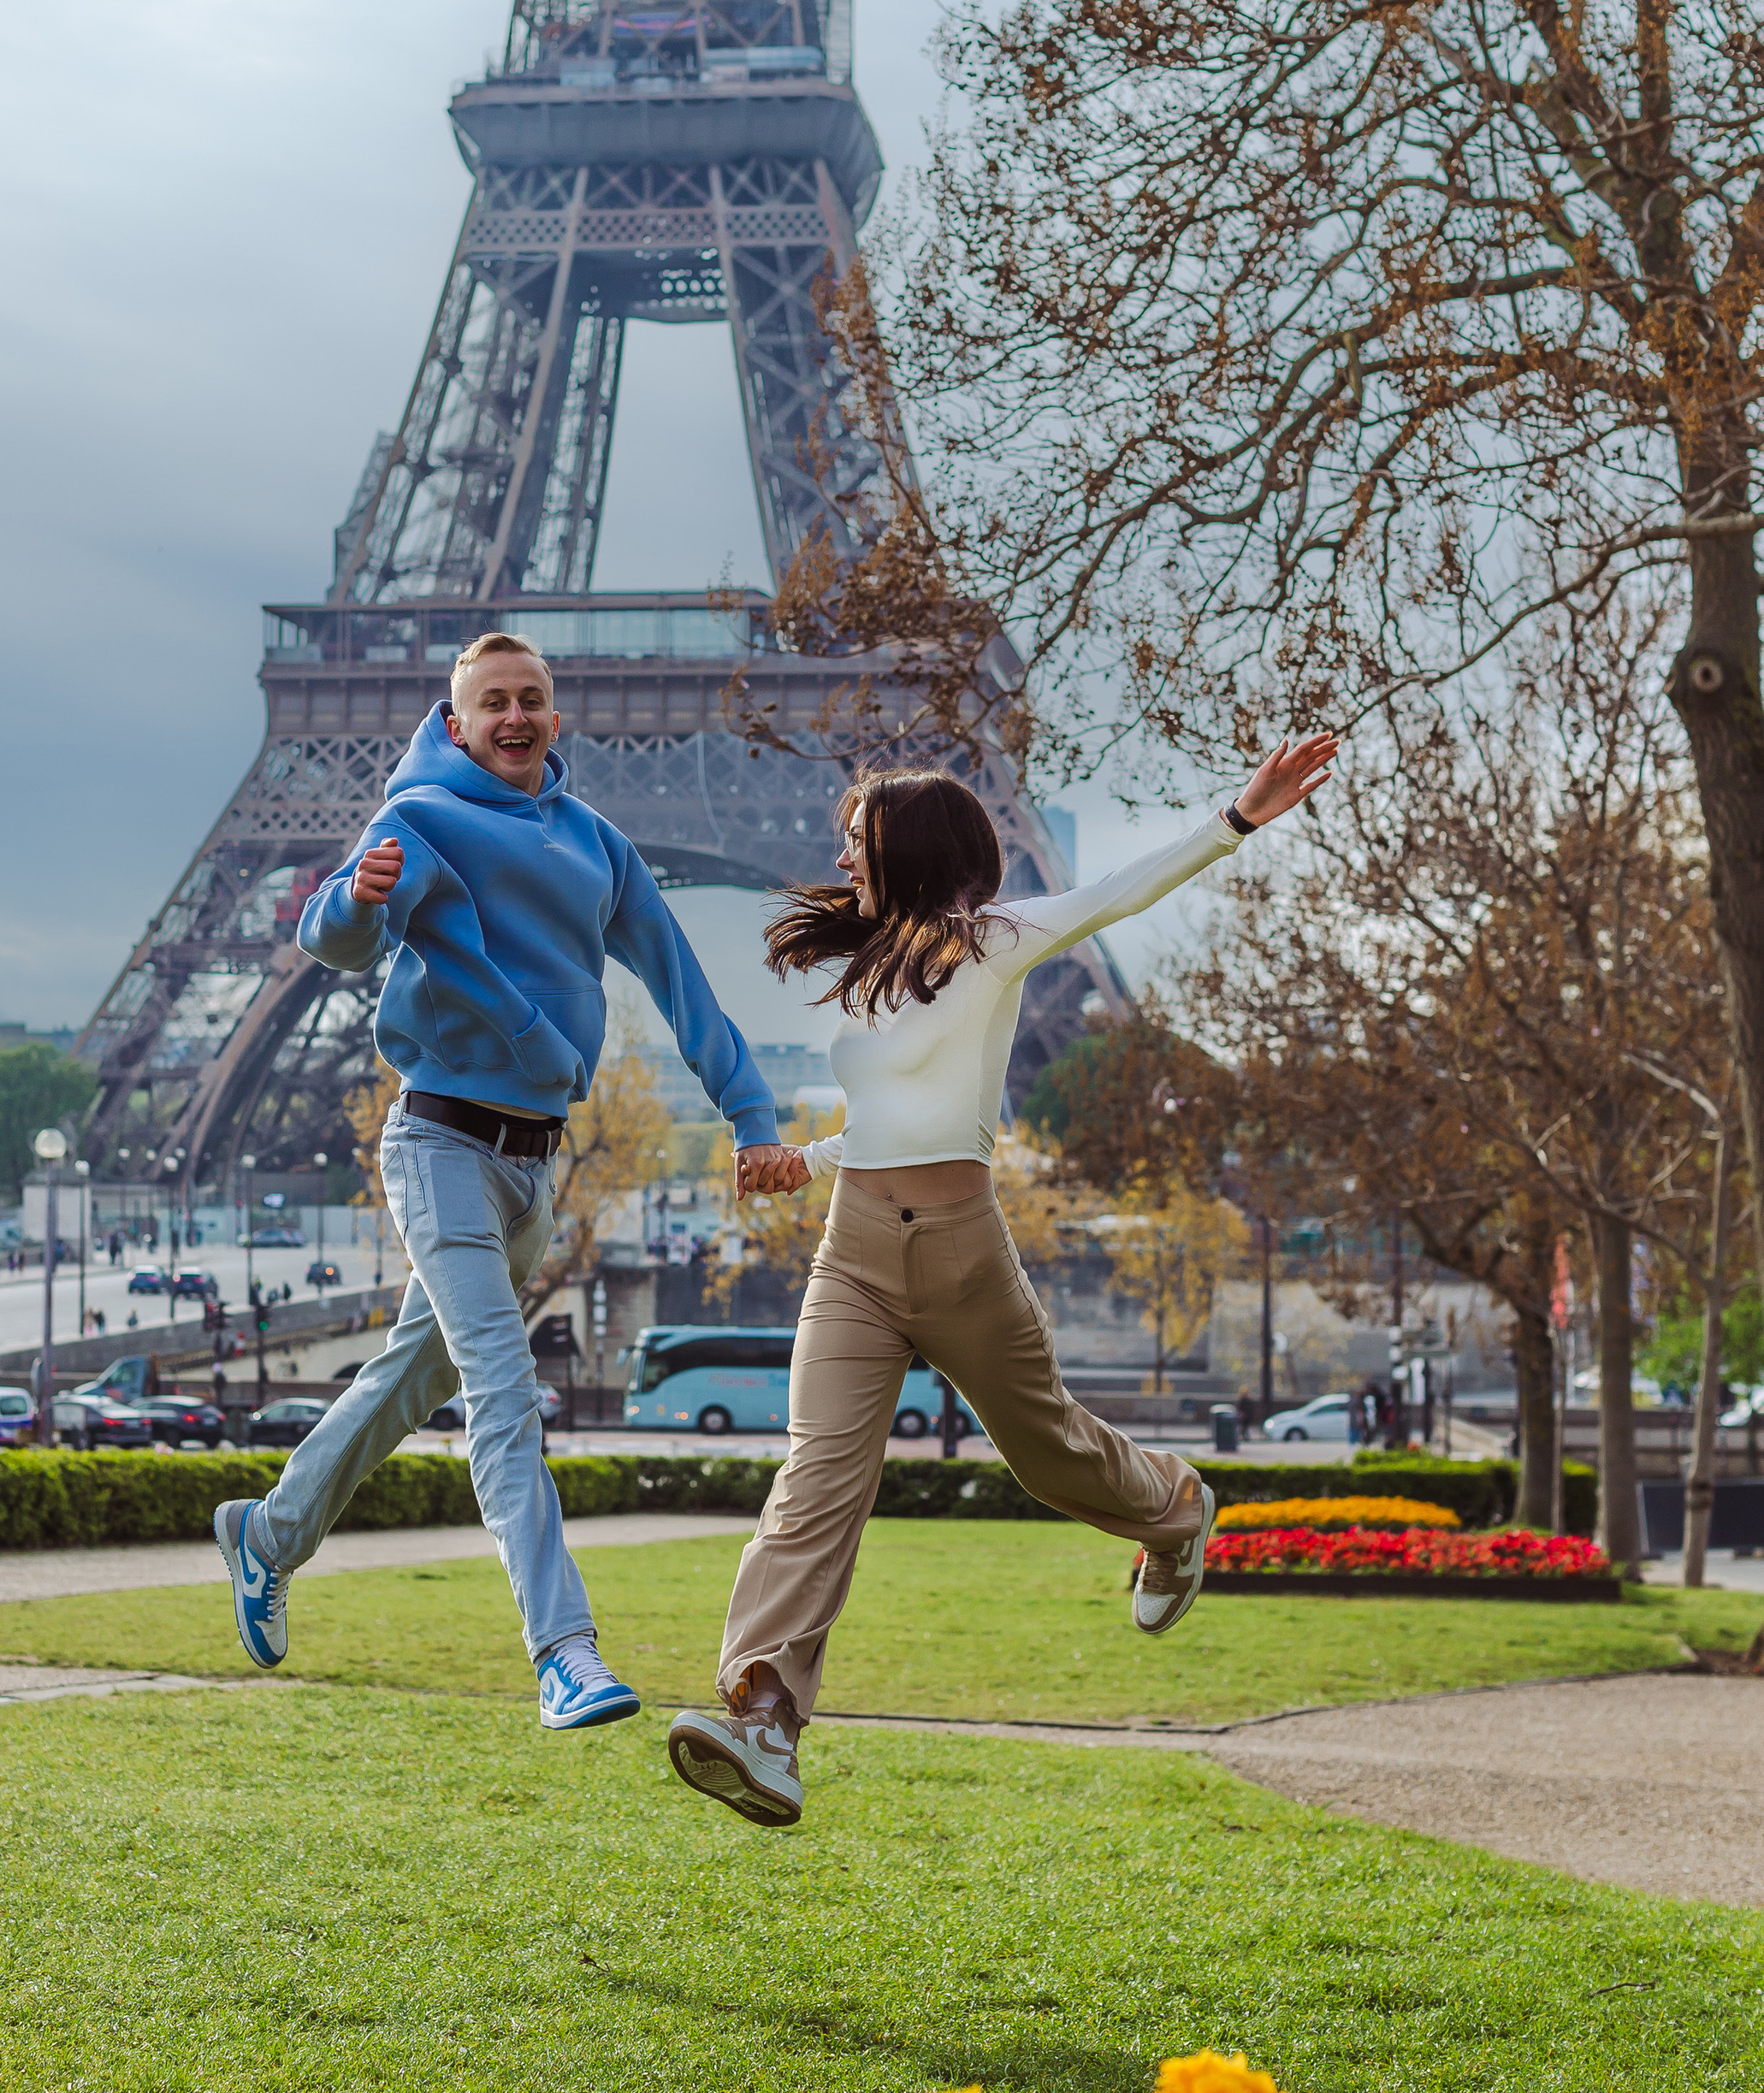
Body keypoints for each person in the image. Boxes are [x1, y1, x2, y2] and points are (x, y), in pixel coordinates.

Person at [668, 732, 1339, 1828]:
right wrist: (809, 1160)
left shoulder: (993, 942)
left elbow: (1118, 893)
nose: (841, 861)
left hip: (963, 1249)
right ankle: (765, 1716)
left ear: (909, 846)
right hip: (854, 1250)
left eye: (856, 842)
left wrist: (1236, 819)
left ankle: (1174, 1509)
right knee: (815, 1479)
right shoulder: (872, 971)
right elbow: (890, 1118)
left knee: (1045, 1452)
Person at [215, 630, 798, 1727]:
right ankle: (563, 1653)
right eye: (494, 703)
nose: (515, 718)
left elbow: (680, 982)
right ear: (455, 722)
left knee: (408, 1383)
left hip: (531, 1168)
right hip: (438, 1146)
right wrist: (355, 899)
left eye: (531, 699)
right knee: (501, 1393)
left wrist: (749, 1115)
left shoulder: (596, 844)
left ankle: (268, 1534)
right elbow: (332, 936)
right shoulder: (420, 820)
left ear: (555, 718)